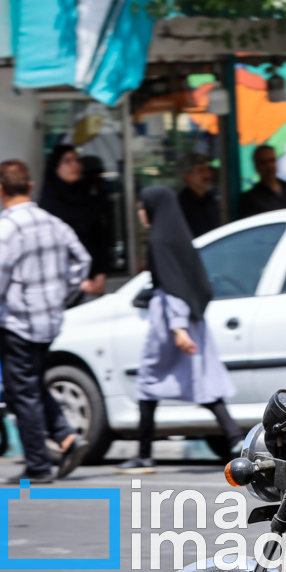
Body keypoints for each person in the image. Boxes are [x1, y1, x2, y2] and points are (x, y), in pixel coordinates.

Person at [0, 160, 91, 482]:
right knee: (32, 383)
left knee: (22, 392)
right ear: (30, 186)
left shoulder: (5, 230)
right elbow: (83, 260)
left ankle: (38, 464)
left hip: (20, 323)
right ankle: (66, 437)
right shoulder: (53, 222)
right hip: (49, 322)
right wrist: (60, 295)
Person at [114, 187, 243, 474]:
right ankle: (235, 438)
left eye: (142, 207)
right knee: (203, 382)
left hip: (171, 324)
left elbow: (173, 289)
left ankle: (144, 454)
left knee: (148, 381)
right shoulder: (180, 239)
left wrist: (177, 328)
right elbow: (195, 285)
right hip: (190, 321)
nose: (140, 213)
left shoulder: (159, 241)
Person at [38, 145, 112, 297]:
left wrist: (100, 273)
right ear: (56, 167)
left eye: (76, 160)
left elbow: (100, 237)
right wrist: (78, 280)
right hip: (62, 288)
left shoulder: (88, 197)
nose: (75, 165)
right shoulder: (49, 206)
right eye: (67, 161)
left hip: (93, 284)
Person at [238, 145, 286, 218]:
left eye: (271, 160)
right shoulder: (250, 199)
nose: (269, 166)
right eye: (263, 162)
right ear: (256, 166)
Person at [177, 153, 220, 237]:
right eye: (201, 170)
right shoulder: (180, 204)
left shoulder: (210, 199)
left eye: (208, 169)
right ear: (186, 176)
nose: (207, 175)